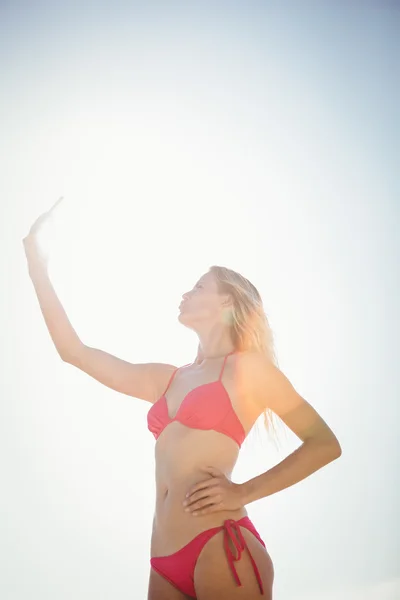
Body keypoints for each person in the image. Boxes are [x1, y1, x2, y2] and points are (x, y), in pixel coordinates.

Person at [23, 199, 342, 600]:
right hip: (164, 561)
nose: (185, 293)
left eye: (198, 287)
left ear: (226, 301)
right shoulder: (167, 378)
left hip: (219, 544)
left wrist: (243, 492)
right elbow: (75, 352)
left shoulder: (249, 369)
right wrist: (37, 267)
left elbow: (325, 444)